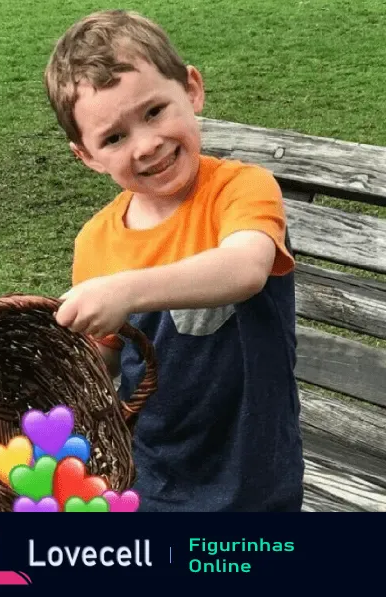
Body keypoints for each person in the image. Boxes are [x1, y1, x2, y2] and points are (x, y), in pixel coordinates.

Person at [43, 9, 304, 511]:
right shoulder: (96, 240)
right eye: (114, 138)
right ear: (88, 156)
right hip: (151, 473)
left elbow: (245, 269)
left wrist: (122, 290)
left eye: (154, 111)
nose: (147, 144)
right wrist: (54, 389)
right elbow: (102, 358)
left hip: (253, 472)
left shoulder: (240, 189)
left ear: (192, 90)